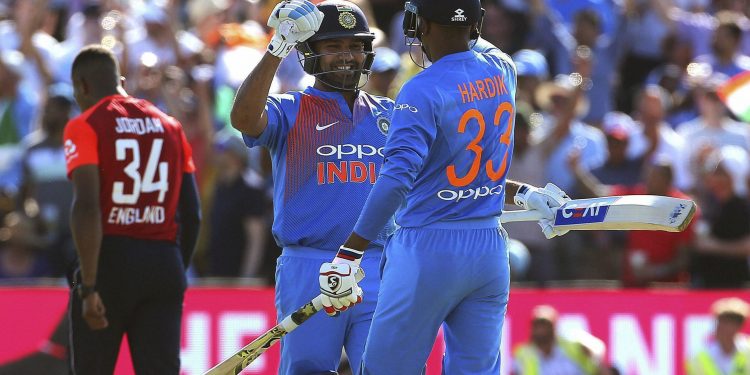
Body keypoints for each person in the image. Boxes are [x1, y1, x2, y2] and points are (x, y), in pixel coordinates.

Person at [319, 0, 572, 373]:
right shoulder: (503, 68)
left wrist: (350, 252)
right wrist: (522, 191)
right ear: (476, 24)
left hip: (427, 249)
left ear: (421, 24)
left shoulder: (421, 89)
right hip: (489, 249)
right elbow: (468, 167)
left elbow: (396, 179)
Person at [229, 1, 395, 373]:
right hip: (310, 263)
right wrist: (277, 48)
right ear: (309, 51)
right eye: (334, 46)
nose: (347, 56)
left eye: (354, 46)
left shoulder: (390, 114)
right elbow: (242, 118)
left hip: (378, 262)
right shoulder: (290, 108)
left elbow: (437, 174)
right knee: (309, 369)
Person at [63, 45, 200, 374]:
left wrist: (90, 286)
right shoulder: (170, 126)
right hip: (164, 262)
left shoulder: (85, 125)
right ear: (120, 79)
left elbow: (86, 207)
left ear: (82, 85)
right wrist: (175, 268)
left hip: (108, 261)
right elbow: (192, 213)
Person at [512, 305, 607, 375]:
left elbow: (598, 351)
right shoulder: (523, 353)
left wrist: (594, 356)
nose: (540, 329)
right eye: (536, 325)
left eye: (545, 324)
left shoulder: (573, 344)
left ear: (554, 326)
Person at [685, 297, 750, 375]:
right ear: (717, 324)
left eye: (734, 322)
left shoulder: (747, 351)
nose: (728, 327)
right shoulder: (698, 357)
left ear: (740, 326)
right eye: (725, 321)